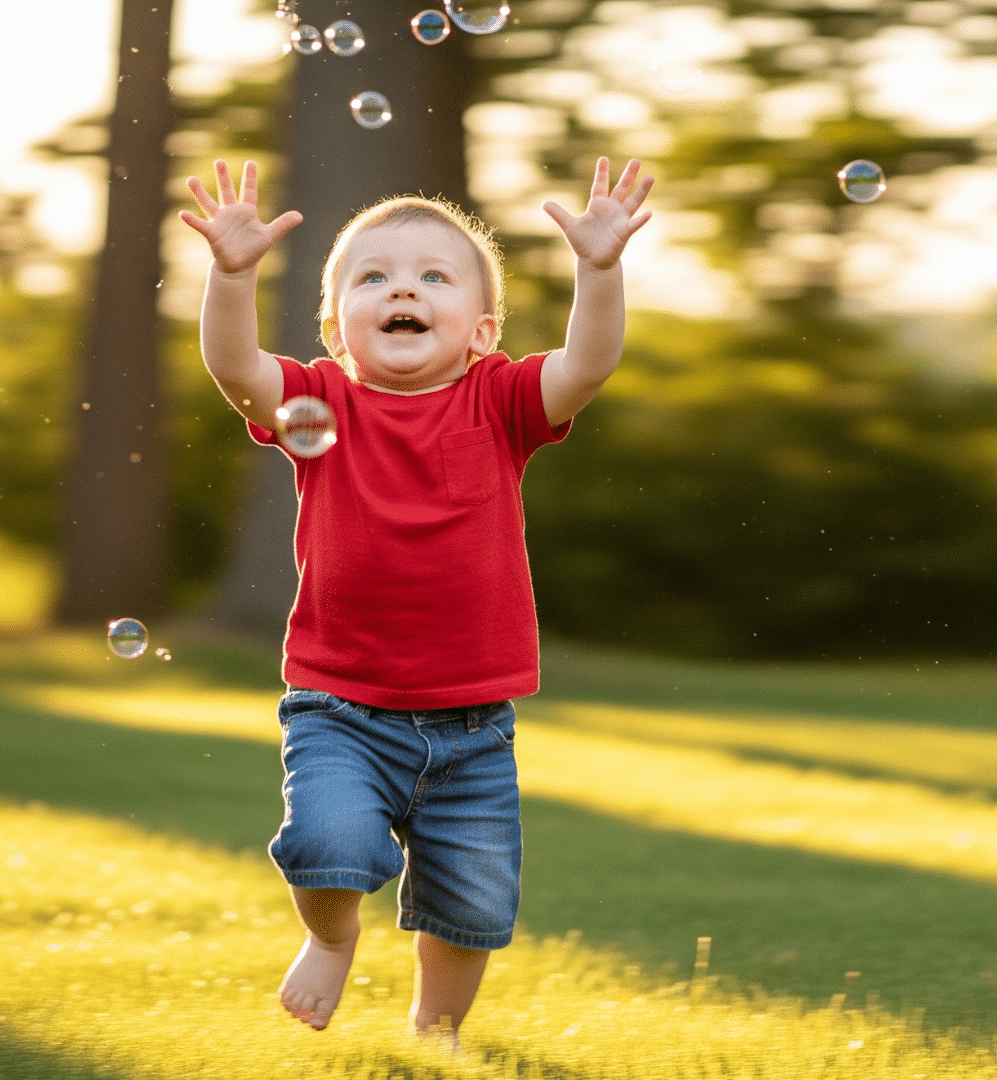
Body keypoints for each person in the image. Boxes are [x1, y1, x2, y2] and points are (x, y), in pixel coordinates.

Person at [179, 156, 653, 1042]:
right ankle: (331, 936)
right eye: (375, 278)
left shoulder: (502, 401)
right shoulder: (318, 403)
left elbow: (588, 364)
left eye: (434, 277)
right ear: (335, 327)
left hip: (473, 725)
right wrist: (231, 275)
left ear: (480, 331)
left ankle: (436, 1036)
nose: (404, 289)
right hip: (339, 705)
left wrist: (599, 269)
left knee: (467, 904)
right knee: (326, 845)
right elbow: (236, 366)